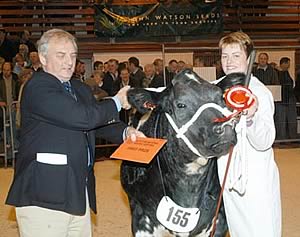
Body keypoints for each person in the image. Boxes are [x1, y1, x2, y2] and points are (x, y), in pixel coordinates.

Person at [5, 29, 144, 237]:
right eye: (60, 55)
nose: (69, 61)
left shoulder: (79, 88)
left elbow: (95, 122)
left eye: (72, 55)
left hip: (78, 190)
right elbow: (82, 117)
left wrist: (125, 132)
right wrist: (116, 101)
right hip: (44, 193)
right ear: (43, 58)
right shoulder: (37, 86)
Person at [215, 31, 281, 237]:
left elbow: (265, 141)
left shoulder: (259, 93)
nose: (229, 61)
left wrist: (251, 117)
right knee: (237, 231)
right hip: (227, 177)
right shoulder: (217, 89)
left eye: (236, 55)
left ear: (249, 58)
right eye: (225, 56)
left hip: (255, 180)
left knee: (261, 229)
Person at [275, 57, 298, 139]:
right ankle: (282, 138)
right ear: (284, 63)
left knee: (287, 119)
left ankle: (289, 137)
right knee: (281, 120)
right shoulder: (279, 73)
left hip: (287, 98)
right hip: (283, 99)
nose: (289, 65)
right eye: (288, 63)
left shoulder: (285, 72)